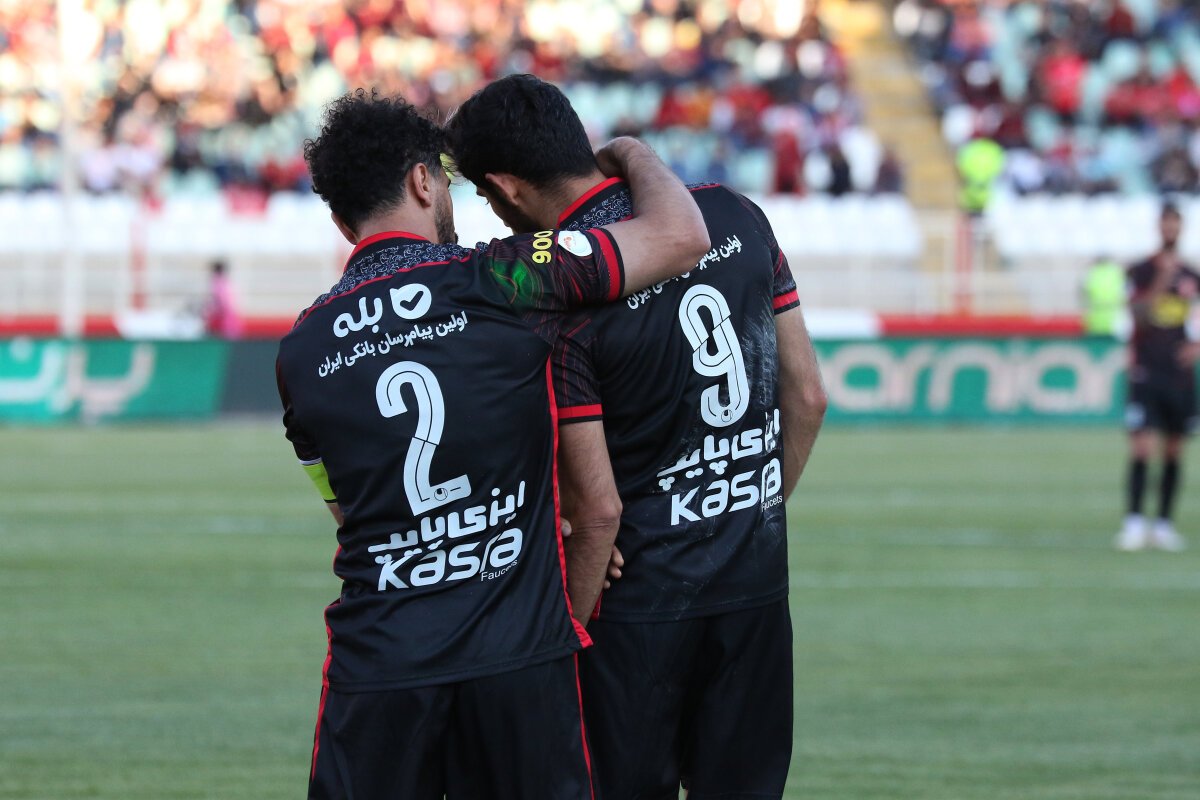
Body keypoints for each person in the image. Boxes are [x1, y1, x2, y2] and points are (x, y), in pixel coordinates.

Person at [275, 88, 709, 799]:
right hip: (517, 658)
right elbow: (681, 235)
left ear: (340, 218)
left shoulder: (302, 349)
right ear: (423, 181)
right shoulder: (503, 274)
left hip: (380, 665)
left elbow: (346, 512)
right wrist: (630, 152)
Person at [446, 74, 828, 798]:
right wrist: (746, 507)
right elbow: (808, 396)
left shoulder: (552, 296)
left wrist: (560, 637)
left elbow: (599, 513)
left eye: (486, 198)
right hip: (753, 583)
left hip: (635, 610)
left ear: (505, 188)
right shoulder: (736, 214)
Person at [1118, 202, 1198, 552]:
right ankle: (1134, 522)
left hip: (1179, 375)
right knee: (1141, 447)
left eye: (1175, 224)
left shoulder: (1191, 274)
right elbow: (1136, 313)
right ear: (1159, 227)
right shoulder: (1141, 270)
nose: (1170, 230)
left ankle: (1164, 524)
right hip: (1146, 371)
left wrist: (1196, 347)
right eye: (1166, 223)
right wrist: (1163, 278)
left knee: (1174, 450)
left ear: (1181, 228)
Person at [1081, 255, 1126, 337]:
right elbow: (1125, 292)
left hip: (1095, 320)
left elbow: (1083, 293)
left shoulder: (1091, 272)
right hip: (1113, 320)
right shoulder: (1116, 272)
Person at [203, 259, 243, 339]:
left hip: (224, 314)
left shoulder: (219, 282)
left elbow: (221, 300)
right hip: (225, 314)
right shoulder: (224, 282)